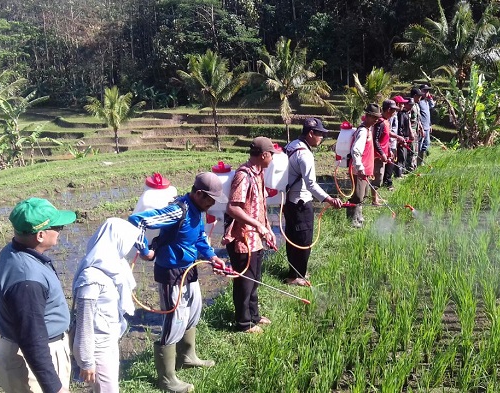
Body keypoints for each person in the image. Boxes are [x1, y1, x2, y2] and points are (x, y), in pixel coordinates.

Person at [128, 172, 227, 393]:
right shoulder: (177, 210)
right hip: (171, 272)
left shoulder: (197, 211)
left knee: (193, 312)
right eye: (211, 199)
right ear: (199, 194)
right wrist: (144, 250)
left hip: (188, 270)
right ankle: (167, 379)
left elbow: (199, 237)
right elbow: (138, 220)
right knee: (174, 322)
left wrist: (212, 256)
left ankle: (187, 356)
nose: (212, 204)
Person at [0, 197, 76, 393]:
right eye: (57, 226)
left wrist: (8, 316)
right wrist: (53, 387)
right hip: (30, 359)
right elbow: (32, 339)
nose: (60, 231)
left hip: (19, 349)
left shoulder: (11, 251)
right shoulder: (28, 279)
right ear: (41, 235)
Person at [71, 218, 141, 393]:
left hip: (109, 339)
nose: (129, 247)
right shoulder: (91, 278)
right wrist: (86, 362)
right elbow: (84, 323)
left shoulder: (114, 266)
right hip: (97, 347)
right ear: (117, 240)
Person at [223, 137, 277, 333]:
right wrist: (256, 225)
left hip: (256, 239)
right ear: (263, 155)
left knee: (255, 278)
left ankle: (254, 315)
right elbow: (232, 208)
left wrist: (268, 229)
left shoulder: (259, 173)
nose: (272, 159)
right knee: (244, 281)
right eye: (271, 155)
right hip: (243, 239)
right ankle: (244, 323)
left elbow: (260, 206)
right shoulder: (243, 176)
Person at [283, 118, 342, 286]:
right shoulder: (305, 154)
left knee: (292, 237)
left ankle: (293, 272)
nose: (321, 138)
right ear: (310, 133)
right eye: (320, 134)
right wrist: (329, 199)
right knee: (303, 240)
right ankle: (298, 277)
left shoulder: (292, 145)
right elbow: (311, 185)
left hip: (289, 201)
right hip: (301, 202)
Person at [346, 104, 381, 228]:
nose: (376, 120)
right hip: (359, 171)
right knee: (357, 196)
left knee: (363, 195)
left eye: (377, 118)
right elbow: (356, 150)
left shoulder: (368, 130)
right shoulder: (362, 131)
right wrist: (359, 167)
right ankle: (353, 222)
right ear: (368, 116)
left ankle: (359, 218)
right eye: (374, 117)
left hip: (365, 170)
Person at [371, 99, 405, 206]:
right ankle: (374, 200)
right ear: (389, 109)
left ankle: (375, 198)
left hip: (383, 153)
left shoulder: (385, 121)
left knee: (379, 177)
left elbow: (386, 134)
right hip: (377, 156)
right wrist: (382, 153)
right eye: (394, 110)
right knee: (378, 177)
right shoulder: (380, 122)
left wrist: (396, 138)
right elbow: (375, 139)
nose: (395, 112)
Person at [394, 96, 413, 174]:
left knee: (404, 155)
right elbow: (400, 127)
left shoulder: (405, 113)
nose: (403, 105)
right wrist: (402, 138)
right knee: (401, 156)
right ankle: (398, 174)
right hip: (401, 138)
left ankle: (402, 172)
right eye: (402, 104)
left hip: (404, 137)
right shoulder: (400, 114)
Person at [417, 83, 436, 165]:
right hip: (421, 128)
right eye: (424, 91)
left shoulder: (426, 102)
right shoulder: (419, 102)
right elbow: (418, 116)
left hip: (427, 127)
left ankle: (421, 161)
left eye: (427, 91)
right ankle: (417, 162)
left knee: (426, 145)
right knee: (419, 146)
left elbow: (432, 107)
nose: (426, 93)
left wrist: (430, 124)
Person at [409, 88, 424, 168]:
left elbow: (418, 118)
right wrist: (411, 131)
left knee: (416, 149)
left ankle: (414, 166)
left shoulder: (417, 105)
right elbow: (408, 119)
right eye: (419, 96)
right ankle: (410, 166)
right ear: (415, 96)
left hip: (416, 130)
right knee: (412, 149)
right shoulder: (410, 105)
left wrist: (421, 128)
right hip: (412, 130)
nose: (420, 98)